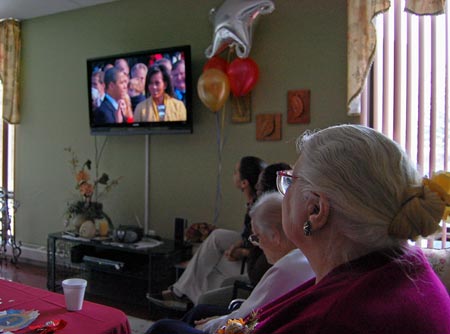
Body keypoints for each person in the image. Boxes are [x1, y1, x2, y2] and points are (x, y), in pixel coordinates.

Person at [249, 124, 450, 333]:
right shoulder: (404, 264)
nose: (284, 194)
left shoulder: (332, 322)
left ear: (316, 211)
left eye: (291, 181)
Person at [145, 192, 314, 334]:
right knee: (199, 310)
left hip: (244, 329)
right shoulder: (304, 257)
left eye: (257, 237)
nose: (257, 245)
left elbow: (247, 319)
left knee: (163, 328)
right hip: (248, 324)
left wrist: (210, 326)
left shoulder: (283, 271)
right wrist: (220, 319)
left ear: (275, 237)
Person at [148, 156, 267, 310]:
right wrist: (236, 246)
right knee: (216, 240)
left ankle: (186, 299)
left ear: (244, 183)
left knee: (213, 268)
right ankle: (187, 300)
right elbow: (247, 235)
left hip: (251, 264)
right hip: (247, 253)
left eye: (235, 172)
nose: (233, 175)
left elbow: (259, 247)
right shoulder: (254, 203)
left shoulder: (262, 208)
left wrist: (240, 251)